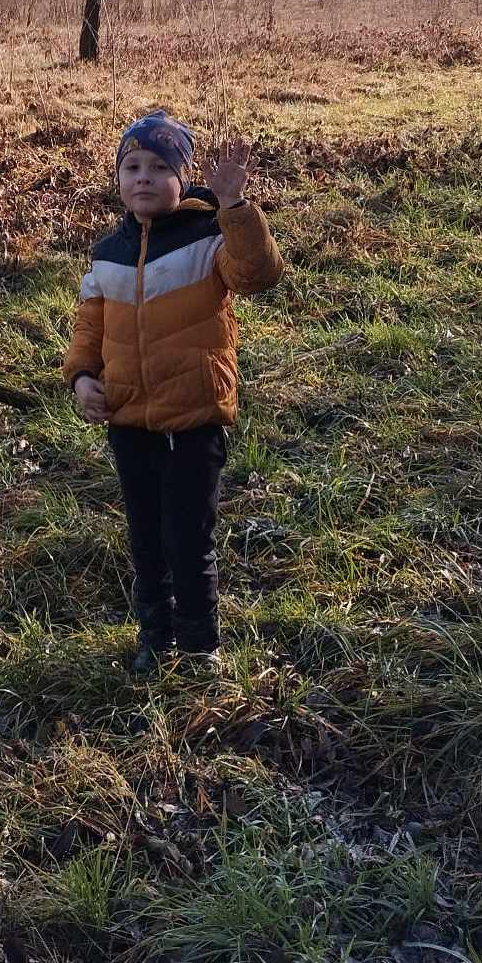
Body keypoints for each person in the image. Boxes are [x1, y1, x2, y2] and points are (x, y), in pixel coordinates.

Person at [63, 111, 284, 673]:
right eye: (132, 166)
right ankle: (154, 641)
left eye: (160, 167)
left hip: (194, 417)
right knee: (145, 539)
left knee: (188, 539)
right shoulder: (108, 251)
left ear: (184, 179)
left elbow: (257, 274)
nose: (143, 177)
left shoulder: (209, 237)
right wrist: (82, 377)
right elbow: (89, 324)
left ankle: (200, 647)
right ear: (117, 179)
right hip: (128, 417)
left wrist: (235, 208)